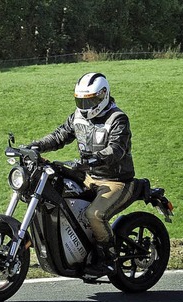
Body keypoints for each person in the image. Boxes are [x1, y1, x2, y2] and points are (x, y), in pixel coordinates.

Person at [29, 72, 135, 277]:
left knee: (93, 215)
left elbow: (116, 149)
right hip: (88, 176)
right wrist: (36, 146)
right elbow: (60, 135)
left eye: (90, 101)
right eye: (81, 101)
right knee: (62, 196)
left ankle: (108, 257)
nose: (85, 107)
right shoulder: (78, 116)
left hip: (115, 180)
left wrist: (93, 159)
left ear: (103, 95)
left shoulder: (117, 119)